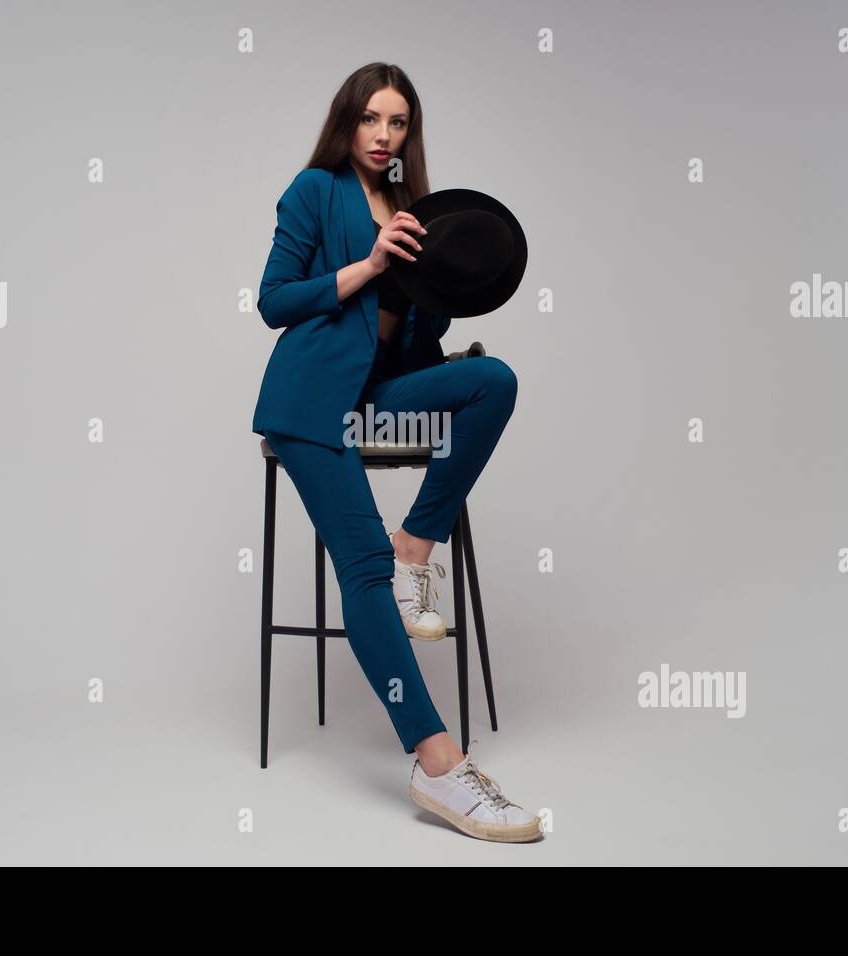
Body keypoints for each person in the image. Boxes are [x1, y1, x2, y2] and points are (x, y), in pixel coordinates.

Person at [252, 62, 541, 842]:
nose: (385, 136)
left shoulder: (417, 207)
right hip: (311, 403)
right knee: (363, 571)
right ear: (347, 122)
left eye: (400, 122)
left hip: (377, 393)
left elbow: (414, 331)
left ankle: (417, 544)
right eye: (372, 119)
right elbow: (273, 299)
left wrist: (440, 293)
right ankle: (439, 767)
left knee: (494, 381)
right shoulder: (315, 191)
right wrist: (372, 265)